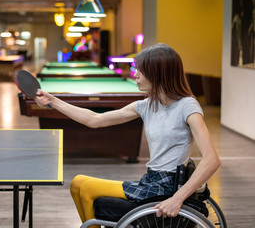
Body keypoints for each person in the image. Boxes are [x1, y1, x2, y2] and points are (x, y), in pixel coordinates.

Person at [34, 43, 221, 223]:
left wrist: (177, 199)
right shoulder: (147, 105)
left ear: (158, 73)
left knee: (86, 188)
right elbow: (94, 120)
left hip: (167, 186)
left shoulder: (187, 106)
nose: (135, 75)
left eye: (141, 71)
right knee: (77, 183)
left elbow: (212, 160)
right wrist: (53, 101)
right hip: (151, 180)